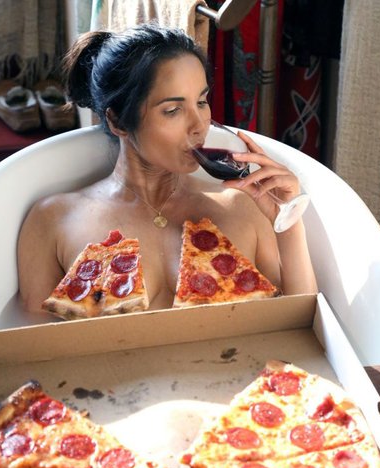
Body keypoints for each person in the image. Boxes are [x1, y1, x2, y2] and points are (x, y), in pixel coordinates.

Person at [18, 23, 317, 316]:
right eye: (173, 110)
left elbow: (298, 325)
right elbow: (33, 340)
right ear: (118, 121)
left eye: (202, 101)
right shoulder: (54, 220)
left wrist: (289, 223)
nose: (199, 125)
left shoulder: (244, 207)